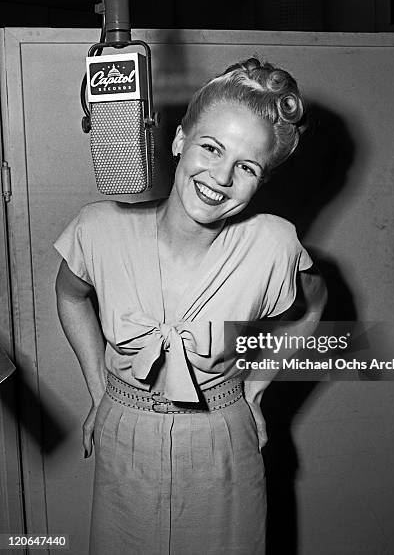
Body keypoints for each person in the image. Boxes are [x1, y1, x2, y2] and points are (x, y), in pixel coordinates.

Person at [54, 57, 327, 555]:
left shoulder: (274, 244)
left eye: (246, 167)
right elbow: (70, 295)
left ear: (262, 179)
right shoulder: (98, 228)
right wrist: (98, 391)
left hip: (222, 436)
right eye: (210, 147)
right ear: (180, 139)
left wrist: (258, 389)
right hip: (125, 431)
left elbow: (311, 308)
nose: (220, 176)